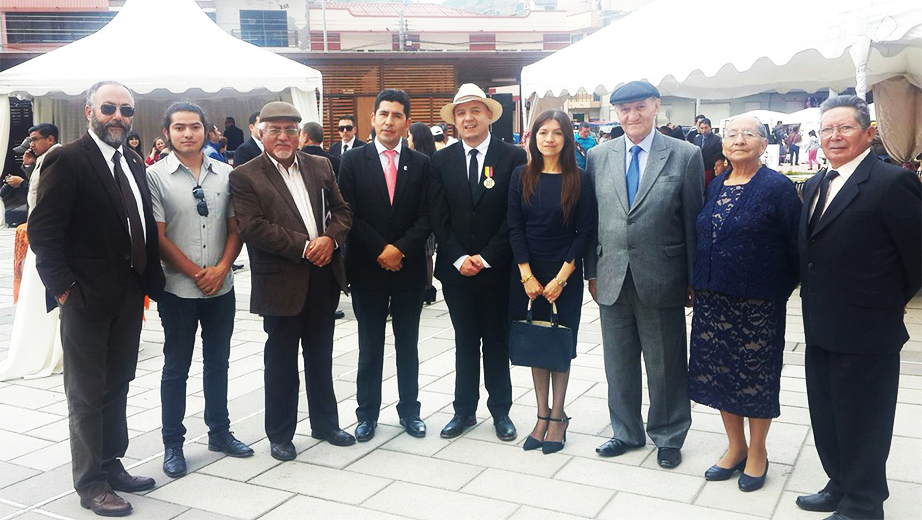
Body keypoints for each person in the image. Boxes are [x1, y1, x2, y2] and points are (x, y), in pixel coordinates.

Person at [28, 80, 165, 517]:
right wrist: (66, 290)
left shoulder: (132, 160)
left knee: (118, 383)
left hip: (128, 295)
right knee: (86, 394)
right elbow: (43, 233)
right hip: (85, 298)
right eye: (109, 108)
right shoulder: (67, 159)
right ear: (89, 112)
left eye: (126, 110)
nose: (118, 117)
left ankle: (111, 463)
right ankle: (91, 483)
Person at [795, 95, 921, 520]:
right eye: (826, 129)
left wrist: (882, 302)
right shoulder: (815, 184)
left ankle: (865, 503)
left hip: (868, 328)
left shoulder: (892, 183)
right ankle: (840, 483)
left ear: (868, 133)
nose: (834, 136)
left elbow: (916, 259)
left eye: (845, 127)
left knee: (864, 419)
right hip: (820, 323)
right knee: (827, 412)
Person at [586, 80, 703, 469]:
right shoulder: (599, 156)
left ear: (656, 107)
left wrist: (692, 278)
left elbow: (691, 221)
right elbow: (591, 220)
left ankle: (669, 435)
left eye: (639, 107)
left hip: (663, 275)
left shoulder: (685, 155)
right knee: (617, 362)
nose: (632, 116)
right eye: (624, 110)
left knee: (666, 362)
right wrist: (592, 270)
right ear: (615, 114)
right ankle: (626, 431)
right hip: (612, 274)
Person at [229, 101, 355, 461]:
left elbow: (343, 211)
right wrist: (305, 247)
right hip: (281, 281)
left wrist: (330, 239)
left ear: (300, 134)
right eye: (274, 130)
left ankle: (326, 424)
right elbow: (253, 228)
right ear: (260, 132)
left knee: (321, 355)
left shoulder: (321, 165)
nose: (282, 136)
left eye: (289, 129)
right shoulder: (245, 175)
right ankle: (280, 434)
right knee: (281, 361)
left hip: (323, 276)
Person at [688, 115, 801, 491]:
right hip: (713, 298)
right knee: (721, 376)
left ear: (764, 144)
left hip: (757, 302)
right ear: (722, 144)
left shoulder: (777, 188)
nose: (739, 140)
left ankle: (758, 452)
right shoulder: (717, 184)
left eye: (748, 134)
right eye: (731, 134)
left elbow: (795, 246)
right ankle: (735, 447)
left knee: (755, 378)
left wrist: (776, 289)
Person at [147, 102, 254, 479]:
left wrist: (222, 268)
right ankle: (173, 443)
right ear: (167, 133)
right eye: (179, 127)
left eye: (194, 127)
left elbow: (236, 227)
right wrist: (196, 273)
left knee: (218, 363)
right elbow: (156, 238)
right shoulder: (155, 177)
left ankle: (220, 432)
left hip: (221, 288)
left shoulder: (227, 173)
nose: (188, 133)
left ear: (207, 131)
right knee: (176, 367)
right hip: (178, 290)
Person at [429, 83, 527, 441]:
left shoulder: (513, 157)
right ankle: (463, 411)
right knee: (465, 341)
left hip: (497, 270)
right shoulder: (441, 160)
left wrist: (486, 257)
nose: (468, 118)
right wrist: (457, 257)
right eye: (460, 113)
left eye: (474, 111)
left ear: (489, 115)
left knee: (497, 341)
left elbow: (514, 216)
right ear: (454, 120)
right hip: (457, 273)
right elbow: (437, 217)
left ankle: (501, 411)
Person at [338, 89, 432, 442]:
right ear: (373, 119)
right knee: (370, 345)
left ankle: (410, 411)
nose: (389, 121)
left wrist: (400, 250)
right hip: (367, 267)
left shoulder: (421, 164)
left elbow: (427, 216)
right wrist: (380, 249)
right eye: (383, 114)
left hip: (408, 270)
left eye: (397, 115)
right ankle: (367, 414)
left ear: (407, 122)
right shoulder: (353, 161)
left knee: (408, 345)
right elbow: (347, 212)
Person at [509, 110, 596, 455]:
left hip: (565, 274)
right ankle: (541, 415)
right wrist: (526, 275)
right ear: (533, 137)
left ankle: (558, 417)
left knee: (559, 344)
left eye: (557, 133)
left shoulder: (580, 178)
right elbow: (514, 227)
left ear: (567, 138)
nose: (549, 139)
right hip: (529, 273)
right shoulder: (521, 175)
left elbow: (586, 230)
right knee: (536, 343)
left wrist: (562, 276)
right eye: (543, 132)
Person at [0, 123, 62, 381]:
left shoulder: (58, 158)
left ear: (51, 138)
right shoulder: (45, 159)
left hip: (50, 239)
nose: (32, 144)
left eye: (36, 139)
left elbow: (51, 197)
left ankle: (51, 349)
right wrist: (28, 166)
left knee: (47, 294)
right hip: (42, 236)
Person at [407, 122, 438, 305]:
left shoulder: (419, 161)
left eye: (410, 136)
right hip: (431, 217)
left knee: (423, 254)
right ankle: (429, 288)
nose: (407, 140)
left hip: (422, 217)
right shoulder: (435, 157)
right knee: (428, 256)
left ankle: (424, 288)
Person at [694, 118, 722, 189]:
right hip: (698, 168)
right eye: (702, 128)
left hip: (710, 169)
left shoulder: (716, 139)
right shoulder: (697, 139)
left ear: (710, 128)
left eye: (706, 128)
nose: (704, 130)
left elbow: (718, 155)